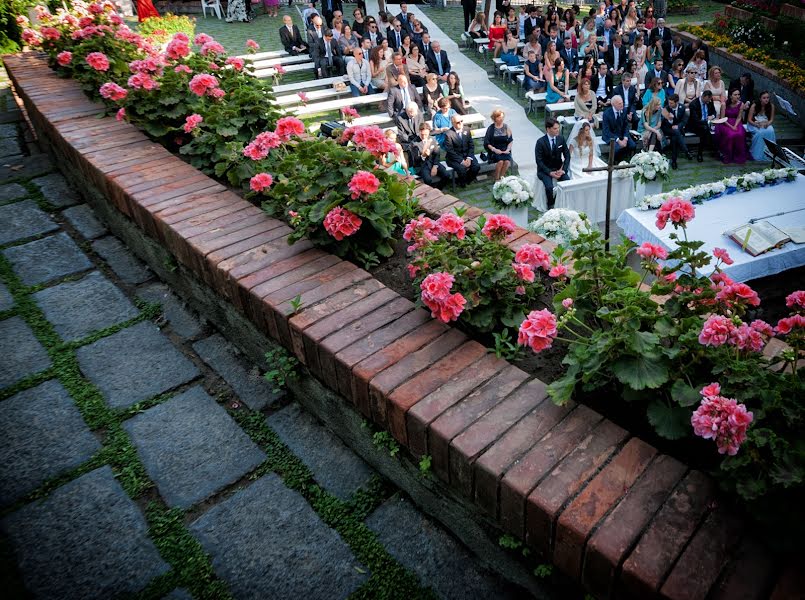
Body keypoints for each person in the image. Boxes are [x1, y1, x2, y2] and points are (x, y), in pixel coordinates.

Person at [535, 117, 571, 208]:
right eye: (555, 128)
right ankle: (550, 204)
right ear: (548, 129)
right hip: (545, 170)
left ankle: (564, 203)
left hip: (559, 168)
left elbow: (567, 155)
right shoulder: (540, 142)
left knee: (567, 182)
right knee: (549, 187)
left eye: (558, 128)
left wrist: (563, 170)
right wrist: (550, 172)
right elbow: (539, 161)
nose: (557, 130)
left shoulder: (561, 139)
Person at [444, 114, 481, 187]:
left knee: (476, 167)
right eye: (458, 122)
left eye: (461, 121)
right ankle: (462, 183)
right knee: (462, 169)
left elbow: (471, 145)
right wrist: (462, 161)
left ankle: (468, 180)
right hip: (454, 158)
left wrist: (469, 158)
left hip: (467, 155)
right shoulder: (448, 134)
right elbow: (450, 151)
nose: (460, 123)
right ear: (453, 123)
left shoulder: (467, 129)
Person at [715, 88, 748, 164]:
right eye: (735, 95)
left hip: (736, 122)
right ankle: (728, 155)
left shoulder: (741, 104)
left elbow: (739, 117)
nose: (737, 96)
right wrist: (731, 126)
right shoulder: (724, 104)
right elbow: (722, 118)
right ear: (730, 96)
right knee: (731, 135)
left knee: (740, 134)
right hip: (725, 122)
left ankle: (737, 155)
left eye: (738, 94)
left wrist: (735, 125)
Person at [415, 123, 449, 189]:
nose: (424, 136)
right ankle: (430, 192)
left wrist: (435, 166)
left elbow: (437, 154)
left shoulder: (432, 139)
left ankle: (439, 189)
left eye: (426, 134)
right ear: (419, 131)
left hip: (433, 162)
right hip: (422, 165)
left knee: (446, 175)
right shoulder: (414, 143)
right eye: (422, 134)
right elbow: (415, 160)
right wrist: (423, 156)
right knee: (428, 180)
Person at [602, 95, 635, 162]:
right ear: (613, 104)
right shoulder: (606, 114)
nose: (622, 105)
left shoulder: (624, 110)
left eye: (622, 102)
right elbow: (606, 130)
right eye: (619, 103)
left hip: (622, 134)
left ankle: (628, 160)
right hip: (611, 135)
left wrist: (625, 138)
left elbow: (626, 125)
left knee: (632, 145)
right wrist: (618, 140)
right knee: (617, 148)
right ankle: (614, 162)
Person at [662, 93, 691, 169]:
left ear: (676, 102)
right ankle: (686, 150)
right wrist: (670, 120)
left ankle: (674, 161)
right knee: (676, 133)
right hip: (668, 129)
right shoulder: (666, 109)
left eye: (671, 103)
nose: (669, 104)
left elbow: (684, 121)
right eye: (669, 102)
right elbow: (664, 124)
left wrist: (678, 126)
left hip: (677, 130)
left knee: (675, 138)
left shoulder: (682, 107)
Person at [483, 109, 514, 181]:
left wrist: (508, 149)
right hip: (494, 149)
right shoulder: (491, 128)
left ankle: (501, 177)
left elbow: (510, 140)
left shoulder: (506, 127)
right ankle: (496, 179)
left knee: (507, 162)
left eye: (502, 117)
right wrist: (494, 149)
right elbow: (487, 143)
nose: (501, 119)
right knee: (500, 162)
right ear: (494, 118)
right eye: (499, 117)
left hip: (505, 149)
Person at [746, 91, 776, 161]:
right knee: (760, 133)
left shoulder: (771, 106)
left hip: (765, 123)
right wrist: (756, 124)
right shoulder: (754, 105)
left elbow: (771, 119)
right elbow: (749, 120)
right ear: (760, 99)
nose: (766, 99)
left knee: (771, 130)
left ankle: (769, 153)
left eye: (768, 98)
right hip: (754, 123)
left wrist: (767, 124)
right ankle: (757, 153)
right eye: (764, 98)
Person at [688, 90, 716, 162]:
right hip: (696, 125)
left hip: (708, 123)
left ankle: (713, 149)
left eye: (709, 100)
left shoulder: (709, 100)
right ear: (703, 97)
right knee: (705, 130)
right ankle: (704, 151)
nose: (708, 102)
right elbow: (695, 120)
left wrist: (712, 116)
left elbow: (714, 112)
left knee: (713, 129)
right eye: (707, 100)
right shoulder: (693, 104)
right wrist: (706, 122)